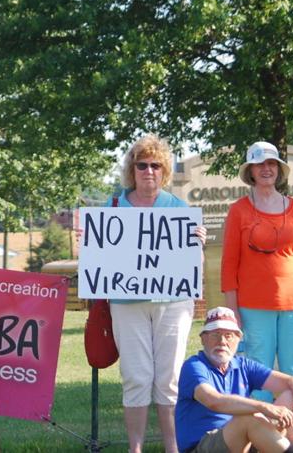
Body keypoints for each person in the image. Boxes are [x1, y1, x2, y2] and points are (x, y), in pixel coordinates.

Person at [103, 134, 206, 453]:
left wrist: (197, 246)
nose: (149, 171)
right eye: (142, 165)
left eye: (156, 165)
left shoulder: (179, 208)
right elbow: (101, 256)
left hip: (172, 303)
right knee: (136, 376)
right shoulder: (114, 206)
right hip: (127, 303)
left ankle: (172, 448)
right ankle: (135, 448)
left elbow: (193, 266)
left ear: (164, 171)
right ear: (132, 170)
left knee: (169, 378)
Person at [221, 141, 293, 400]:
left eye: (271, 163)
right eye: (259, 164)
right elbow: (229, 262)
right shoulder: (238, 210)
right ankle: (261, 426)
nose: (266, 169)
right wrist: (232, 309)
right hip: (254, 305)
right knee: (259, 373)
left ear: (279, 169)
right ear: (250, 171)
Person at [176, 306, 293, 453]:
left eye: (228, 335)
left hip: (242, 441)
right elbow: (213, 400)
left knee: (292, 396)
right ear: (203, 339)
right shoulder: (194, 366)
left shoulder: (243, 365)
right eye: (215, 335)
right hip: (203, 446)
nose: (222, 341)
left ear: (238, 339)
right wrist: (265, 408)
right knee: (248, 418)